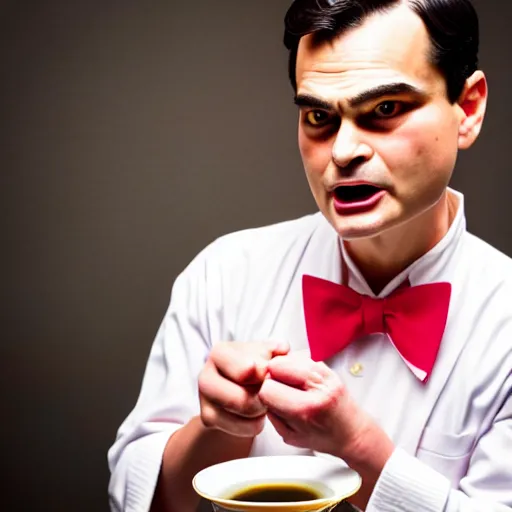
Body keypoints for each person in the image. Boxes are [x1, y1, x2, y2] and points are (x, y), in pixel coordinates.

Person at [108, 0, 512, 510]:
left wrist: (361, 449)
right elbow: (129, 494)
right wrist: (221, 428)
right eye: (320, 116)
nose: (343, 152)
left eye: (384, 109)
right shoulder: (222, 275)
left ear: (468, 108)